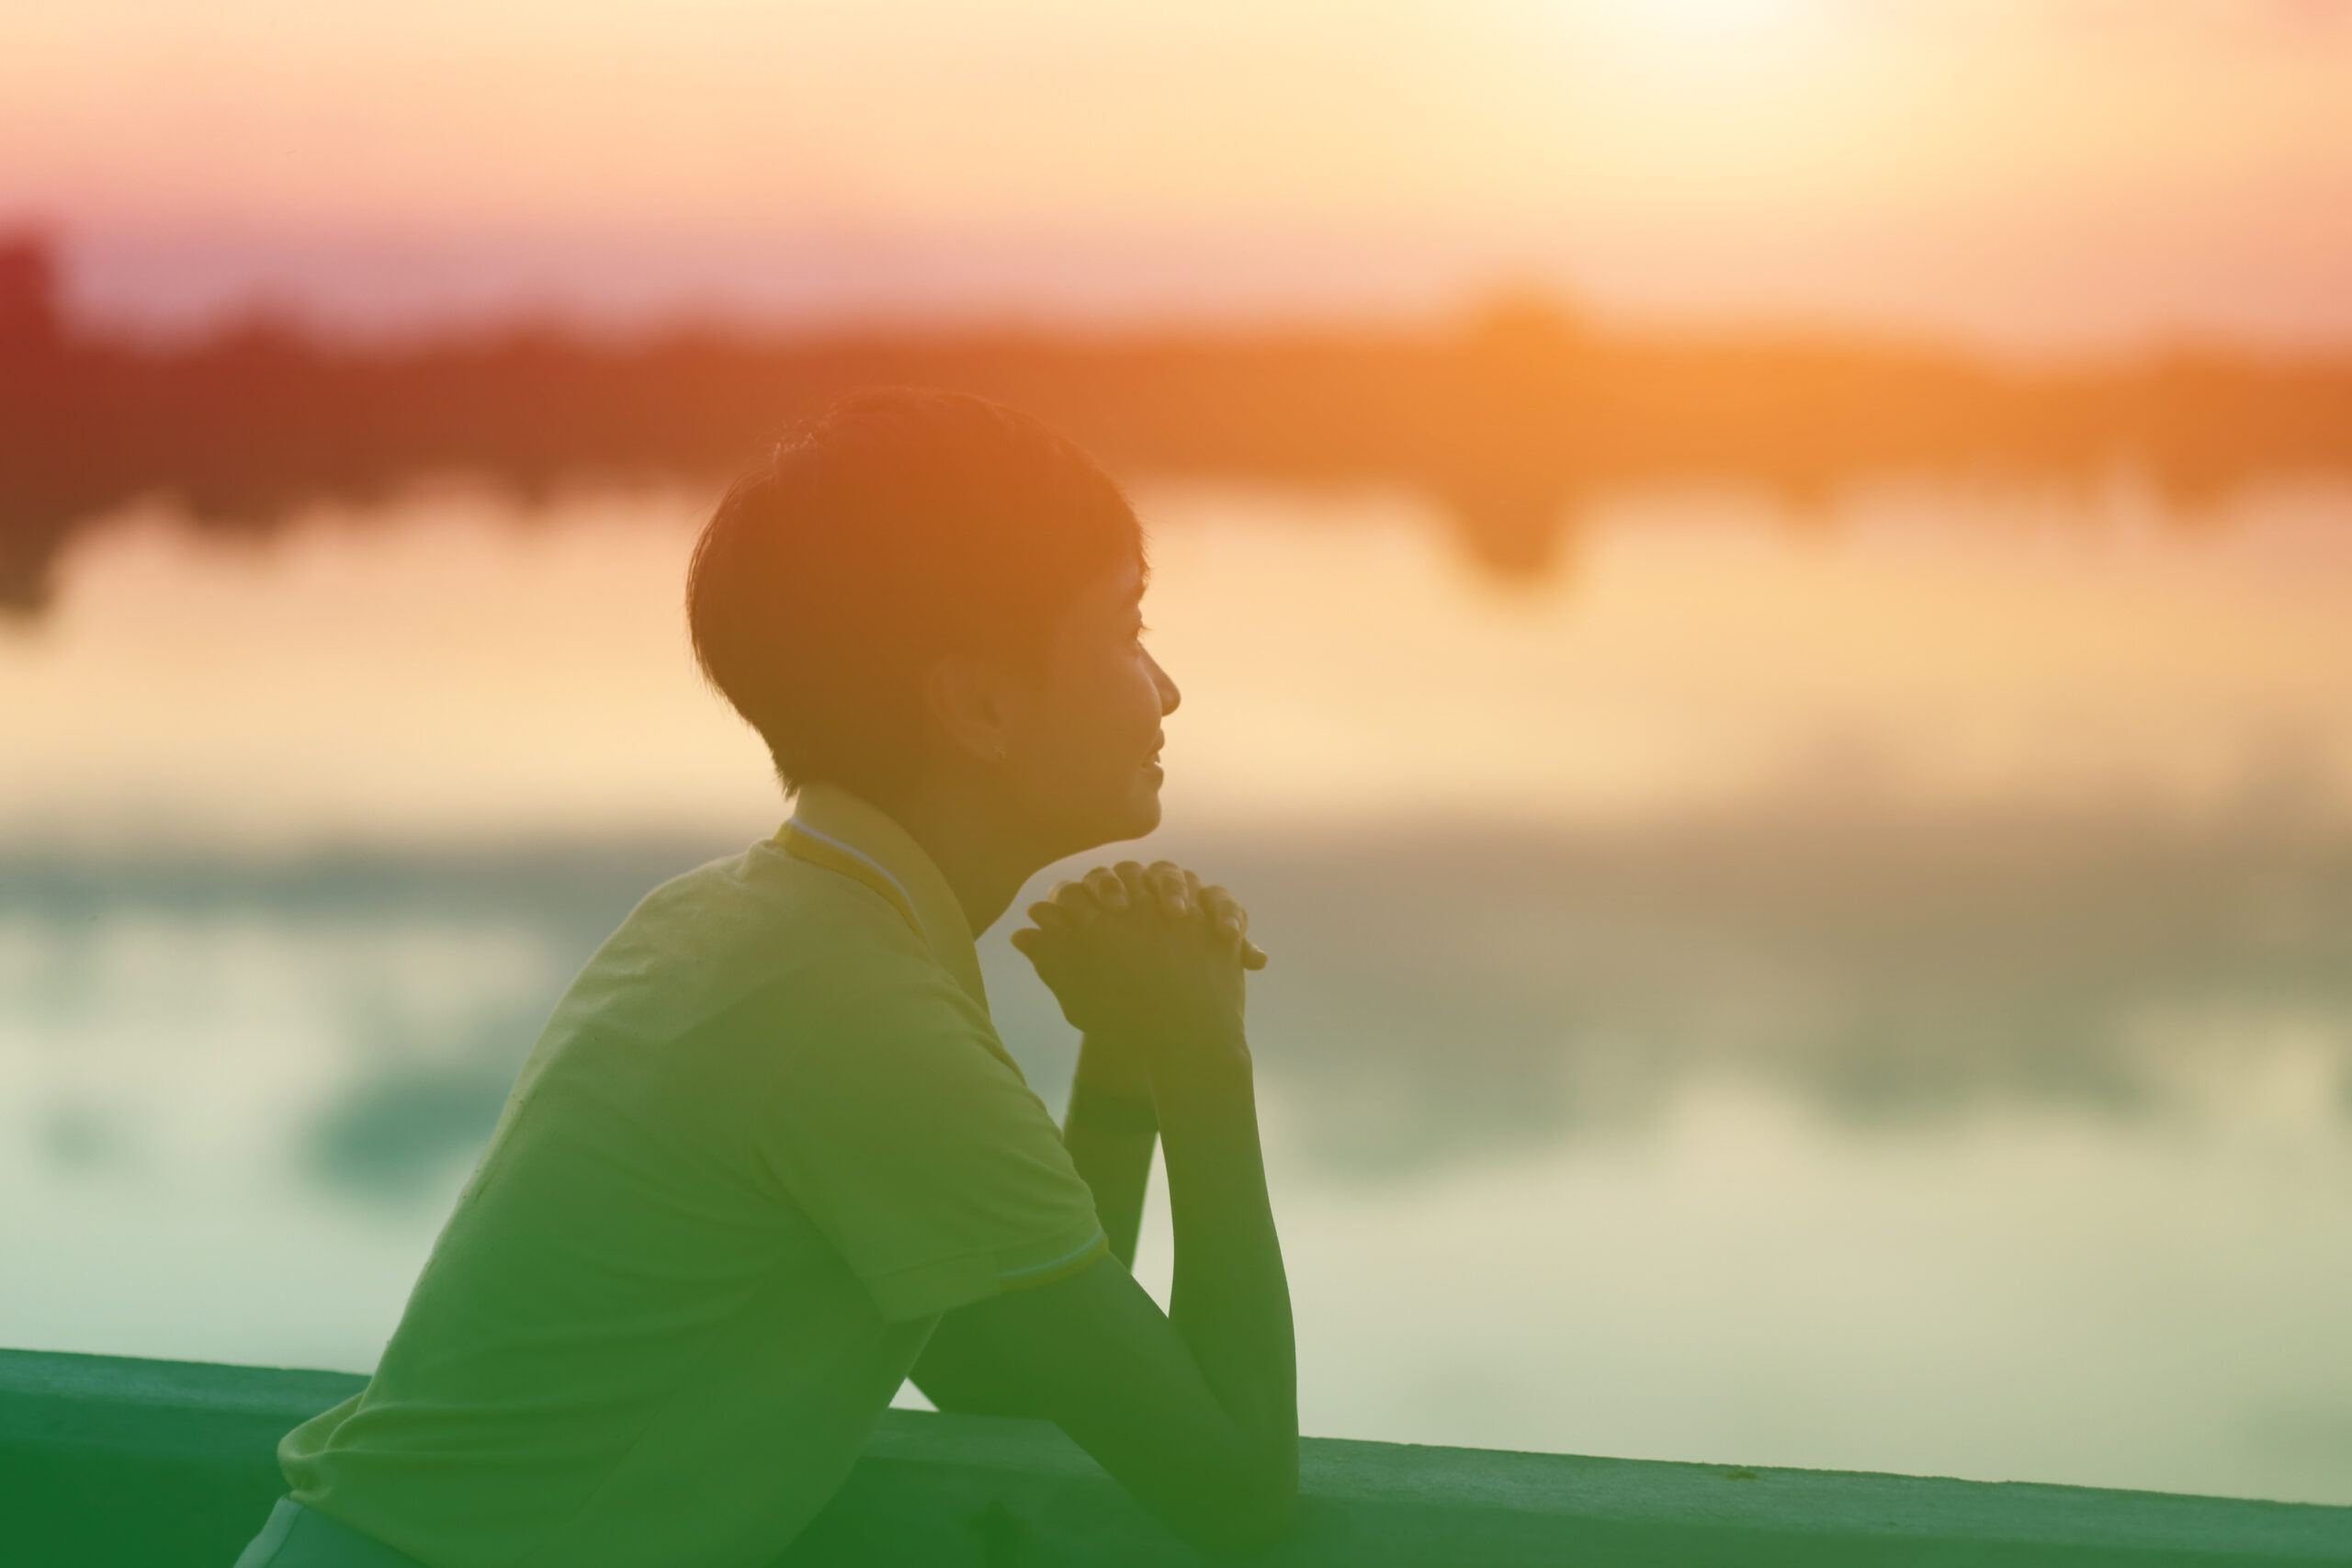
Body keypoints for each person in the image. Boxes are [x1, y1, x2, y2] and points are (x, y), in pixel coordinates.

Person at [232, 388, 1297, 1566]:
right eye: (1124, 628)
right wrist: (1205, 1058)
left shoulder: (742, 928)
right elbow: (1233, 1483)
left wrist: (1122, 1063)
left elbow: (1007, 1370)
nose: (1164, 686)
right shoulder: (862, 1014)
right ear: (980, 705)